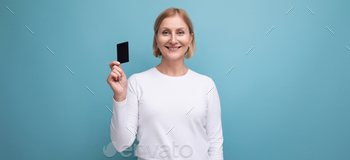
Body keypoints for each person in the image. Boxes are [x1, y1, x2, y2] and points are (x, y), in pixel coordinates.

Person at [107, 7, 224, 160]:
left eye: (180, 32)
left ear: (191, 38)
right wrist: (120, 97)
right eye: (165, 32)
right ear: (156, 38)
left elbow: (215, 145)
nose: (173, 40)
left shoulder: (206, 85)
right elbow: (121, 144)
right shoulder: (137, 82)